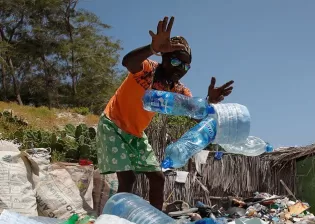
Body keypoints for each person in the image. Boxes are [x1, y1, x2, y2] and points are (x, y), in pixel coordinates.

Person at [96, 16, 234, 210]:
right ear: (164, 56)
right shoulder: (147, 69)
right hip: (113, 125)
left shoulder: (178, 90)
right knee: (127, 179)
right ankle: (115, 222)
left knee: (158, 178)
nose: (181, 69)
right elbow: (128, 62)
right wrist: (152, 49)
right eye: (177, 61)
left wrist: (209, 101)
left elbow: (195, 112)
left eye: (186, 66)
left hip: (136, 134)